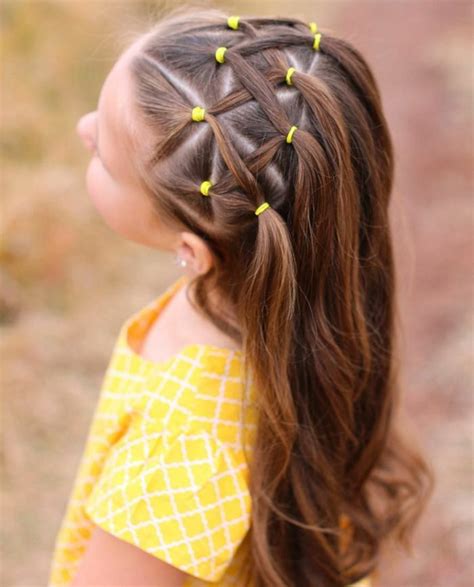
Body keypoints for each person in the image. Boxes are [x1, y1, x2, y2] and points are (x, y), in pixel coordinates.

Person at [48, 6, 433, 587]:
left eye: (103, 149)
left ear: (194, 250)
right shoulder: (302, 302)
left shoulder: (176, 458)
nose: (82, 128)